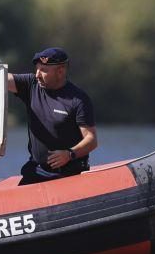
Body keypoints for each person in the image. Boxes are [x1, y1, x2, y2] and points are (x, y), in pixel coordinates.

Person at [7, 47, 98, 186]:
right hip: (36, 170)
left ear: (60, 71)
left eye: (43, 70)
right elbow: (0, 79)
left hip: (68, 174)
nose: (37, 74)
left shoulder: (78, 99)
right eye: (36, 69)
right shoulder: (31, 85)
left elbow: (91, 140)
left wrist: (69, 154)